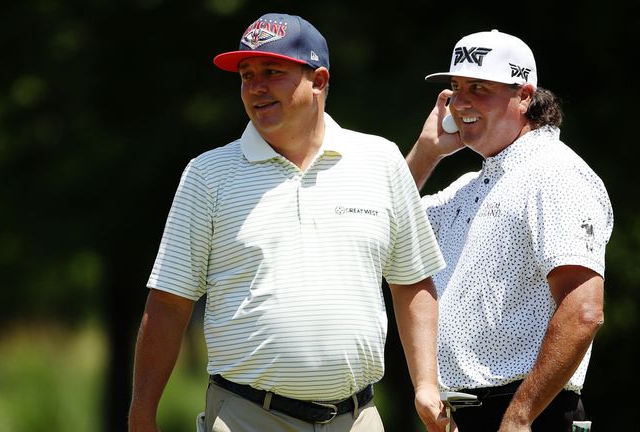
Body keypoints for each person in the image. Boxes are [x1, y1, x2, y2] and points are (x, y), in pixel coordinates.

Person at [128, 12, 449, 432]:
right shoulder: (208, 175)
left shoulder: (381, 160)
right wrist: (141, 415)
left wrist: (426, 383)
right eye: (246, 74)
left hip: (357, 418)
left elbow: (411, 281)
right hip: (245, 415)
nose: (255, 87)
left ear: (318, 81)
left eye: (272, 71)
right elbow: (169, 303)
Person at [406, 30, 614, 432]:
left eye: (479, 88)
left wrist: (518, 419)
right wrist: (426, 152)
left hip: (530, 414)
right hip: (467, 416)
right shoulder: (470, 187)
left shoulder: (556, 174)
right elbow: (381, 228)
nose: (461, 102)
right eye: (455, 88)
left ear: (524, 96)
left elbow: (584, 311)